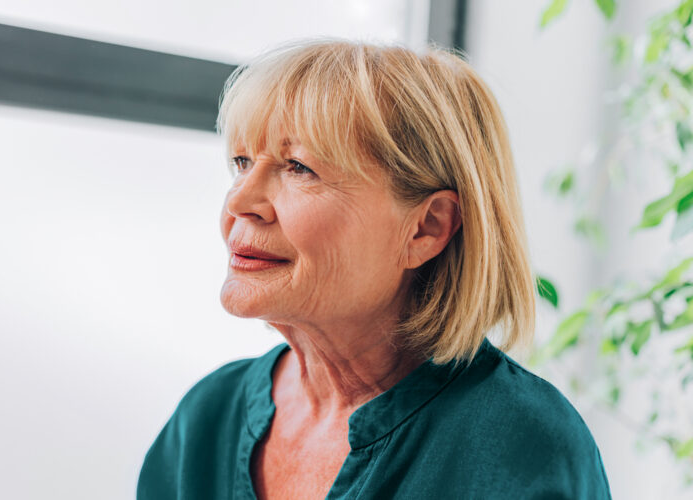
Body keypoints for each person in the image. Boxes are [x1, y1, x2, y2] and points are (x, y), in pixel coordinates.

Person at [137, 39, 612, 499]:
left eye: (299, 167)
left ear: (427, 228)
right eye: (242, 161)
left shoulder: (523, 448)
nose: (239, 201)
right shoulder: (207, 418)